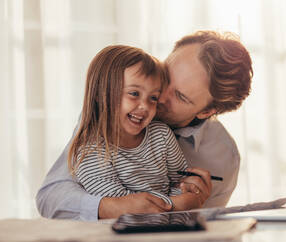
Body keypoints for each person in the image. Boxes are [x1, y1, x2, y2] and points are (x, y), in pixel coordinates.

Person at [36, 30, 253, 220]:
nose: (156, 97)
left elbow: (198, 236)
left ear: (206, 111)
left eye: (179, 96)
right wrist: (111, 207)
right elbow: (50, 197)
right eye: (165, 75)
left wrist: (194, 207)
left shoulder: (222, 156)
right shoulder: (112, 114)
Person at [68, 45, 204, 213]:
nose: (145, 106)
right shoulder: (91, 151)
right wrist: (177, 204)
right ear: (100, 93)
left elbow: (180, 182)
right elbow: (121, 206)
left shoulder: (161, 134)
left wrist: (185, 194)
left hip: (165, 228)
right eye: (134, 93)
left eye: (153, 97)